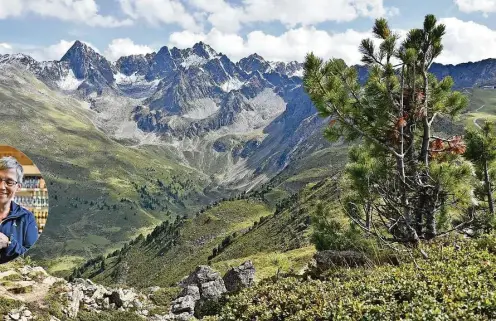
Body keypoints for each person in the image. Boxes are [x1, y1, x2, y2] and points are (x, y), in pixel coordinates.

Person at [0, 156, 38, 263]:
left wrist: (8, 244)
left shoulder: (27, 218)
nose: (2, 187)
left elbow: (31, 258)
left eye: (9, 182)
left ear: (18, 187)